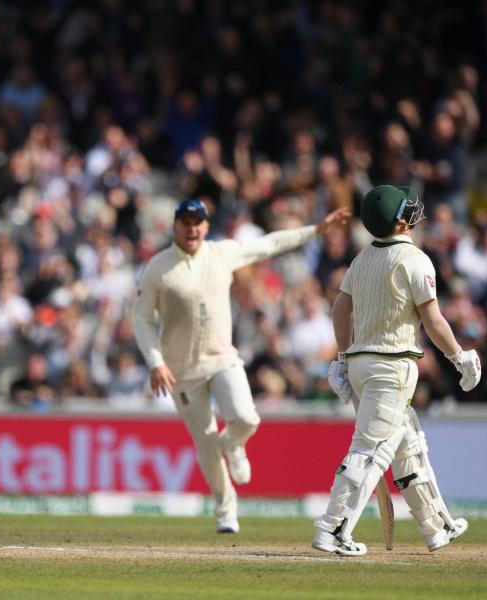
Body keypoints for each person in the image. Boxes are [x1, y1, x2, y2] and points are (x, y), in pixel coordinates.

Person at [133, 198, 350, 534]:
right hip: (180, 370)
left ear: (206, 227)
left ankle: (233, 443)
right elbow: (142, 320)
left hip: (222, 358)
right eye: (186, 222)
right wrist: (156, 362)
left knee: (247, 417)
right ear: (176, 225)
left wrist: (316, 230)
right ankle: (225, 510)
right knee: (206, 444)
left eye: (198, 222)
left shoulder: (221, 253)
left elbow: (270, 244)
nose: (192, 228)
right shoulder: (158, 267)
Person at [313, 185, 481, 556]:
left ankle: (436, 526)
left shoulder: (361, 259)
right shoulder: (414, 259)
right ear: (401, 220)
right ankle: (332, 529)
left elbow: (340, 309)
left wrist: (342, 359)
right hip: (392, 366)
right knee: (370, 451)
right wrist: (460, 358)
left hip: (363, 363)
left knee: (409, 445)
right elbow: (433, 320)